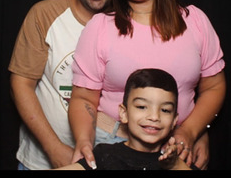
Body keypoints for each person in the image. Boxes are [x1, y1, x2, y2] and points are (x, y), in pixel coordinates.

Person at [68, 0, 226, 169]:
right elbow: (83, 98)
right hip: (113, 145)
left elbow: (214, 86)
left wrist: (192, 131)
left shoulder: (195, 21)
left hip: (178, 146)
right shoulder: (99, 27)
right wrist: (83, 140)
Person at [8, 0, 117, 169]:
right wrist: (53, 149)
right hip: (41, 162)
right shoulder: (44, 14)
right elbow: (21, 84)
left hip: (110, 161)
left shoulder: (130, 22)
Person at [57, 68, 191, 171]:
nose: (154, 117)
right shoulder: (104, 154)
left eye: (165, 110)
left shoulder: (178, 161)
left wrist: (176, 166)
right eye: (142, 107)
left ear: (174, 120)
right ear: (124, 113)